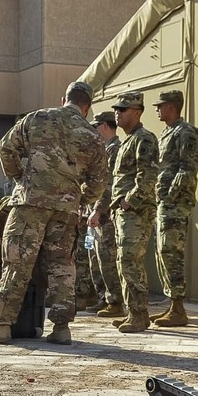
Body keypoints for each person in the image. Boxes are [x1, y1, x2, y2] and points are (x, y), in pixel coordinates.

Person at [0, 80, 107, 345]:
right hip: (67, 210)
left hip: (30, 204)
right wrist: (79, 198)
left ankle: (2, 326)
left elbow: (6, 149)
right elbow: (98, 181)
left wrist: (20, 179)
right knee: (62, 266)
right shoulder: (93, 136)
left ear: (64, 99)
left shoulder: (38, 118)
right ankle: (61, 329)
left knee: (17, 262)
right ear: (88, 107)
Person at [107, 92, 160, 334]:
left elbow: (147, 176)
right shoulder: (127, 140)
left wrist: (130, 202)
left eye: (123, 109)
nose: (117, 113)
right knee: (124, 262)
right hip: (124, 212)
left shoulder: (144, 139)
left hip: (136, 212)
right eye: (116, 109)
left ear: (137, 112)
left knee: (130, 260)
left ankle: (138, 315)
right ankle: (134, 312)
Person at [151, 90, 198, 327]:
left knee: (172, 252)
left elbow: (187, 169)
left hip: (175, 204)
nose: (157, 110)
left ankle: (178, 308)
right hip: (163, 203)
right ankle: (172, 304)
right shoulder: (167, 133)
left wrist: (170, 196)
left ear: (172, 107)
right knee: (163, 252)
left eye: (160, 106)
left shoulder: (186, 133)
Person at [87, 111, 124, 317]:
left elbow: (108, 186)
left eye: (96, 126)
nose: (94, 131)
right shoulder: (103, 150)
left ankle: (115, 301)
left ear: (105, 126)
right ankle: (103, 298)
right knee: (95, 257)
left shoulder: (115, 150)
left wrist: (98, 209)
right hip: (94, 212)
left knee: (107, 258)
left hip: (105, 214)